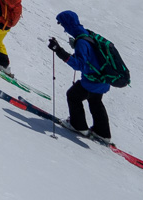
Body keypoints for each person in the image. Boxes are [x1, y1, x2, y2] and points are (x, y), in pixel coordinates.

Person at [48, 10, 113, 145]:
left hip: (92, 81)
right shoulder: (87, 34)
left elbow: (79, 65)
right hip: (103, 79)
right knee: (95, 101)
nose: (64, 28)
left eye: (63, 25)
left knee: (73, 95)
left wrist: (59, 51)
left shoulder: (81, 42)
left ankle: (78, 126)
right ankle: (103, 133)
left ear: (68, 24)